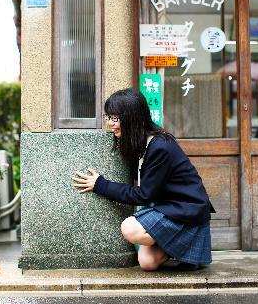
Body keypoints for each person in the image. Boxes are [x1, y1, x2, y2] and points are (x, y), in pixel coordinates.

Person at [72, 88, 215, 272]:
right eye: (109, 117)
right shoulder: (137, 143)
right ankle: (180, 248)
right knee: (147, 263)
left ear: (131, 118)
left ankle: (185, 242)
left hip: (187, 211)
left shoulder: (160, 146)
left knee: (130, 228)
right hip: (168, 209)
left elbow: (144, 195)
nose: (110, 123)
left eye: (115, 118)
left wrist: (101, 185)